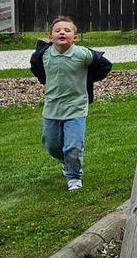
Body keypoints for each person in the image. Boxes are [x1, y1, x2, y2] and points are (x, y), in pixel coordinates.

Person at [29, 16, 112, 191]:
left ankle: (74, 176)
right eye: (58, 30)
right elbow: (36, 67)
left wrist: (87, 81)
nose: (62, 32)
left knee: (73, 145)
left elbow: (104, 66)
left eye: (67, 30)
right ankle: (66, 161)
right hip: (52, 106)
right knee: (52, 145)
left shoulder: (82, 54)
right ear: (50, 37)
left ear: (75, 37)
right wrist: (44, 82)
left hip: (76, 106)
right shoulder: (44, 54)